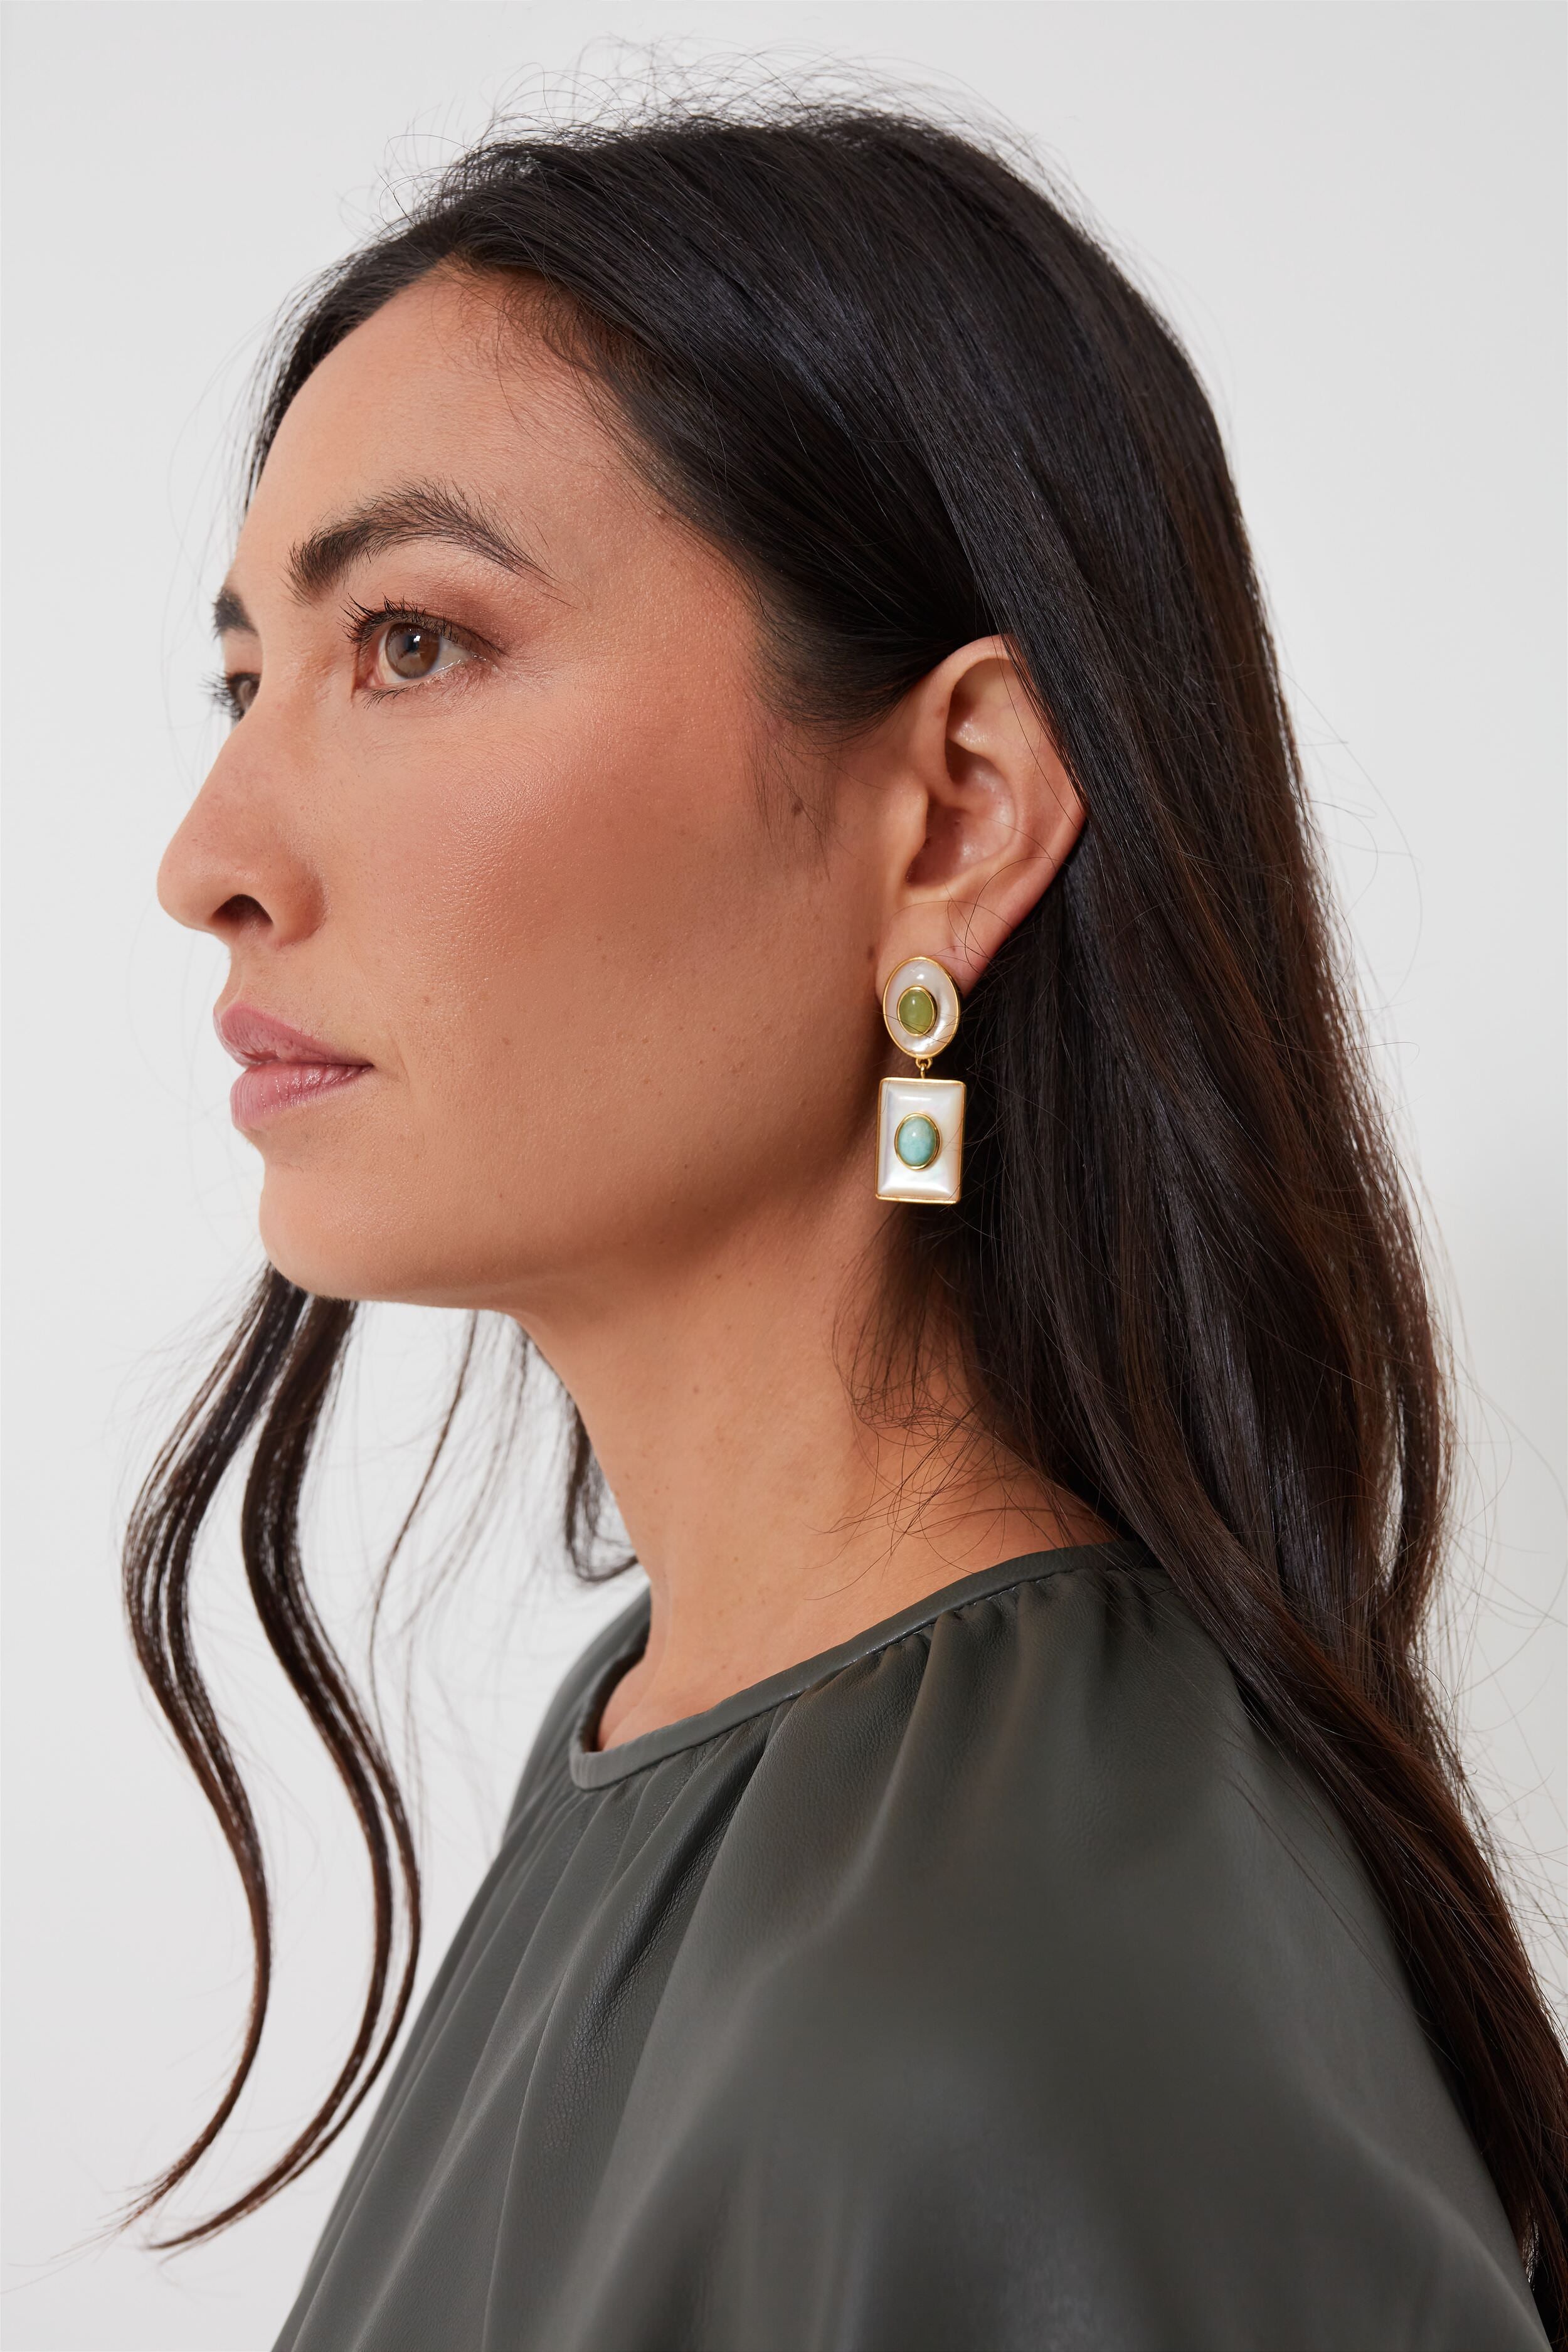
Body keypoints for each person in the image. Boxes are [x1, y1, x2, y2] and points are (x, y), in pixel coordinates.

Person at [130, 97, 1565, 2349]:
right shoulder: (681, 1744)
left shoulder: (1028, 2009)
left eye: (409, 642)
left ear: (956, 811)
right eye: (246, 681)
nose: (208, 859)